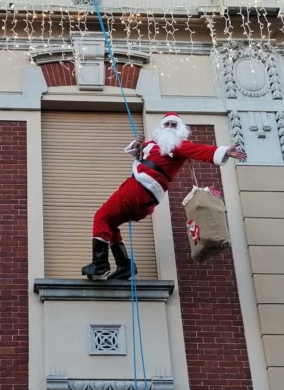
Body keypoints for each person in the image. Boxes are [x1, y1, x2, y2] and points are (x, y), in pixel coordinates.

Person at [82, 112, 247, 280]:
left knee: (101, 217)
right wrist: (137, 144)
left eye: (173, 125)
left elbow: (200, 150)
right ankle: (125, 265)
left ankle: (100, 265)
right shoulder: (154, 144)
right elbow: (135, 150)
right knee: (110, 224)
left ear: (179, 129)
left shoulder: (178, 145)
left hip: (139, 187)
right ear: (161, 128)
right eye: (166, 124)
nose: (169, 127)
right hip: (147, 198)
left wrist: (226, 151)